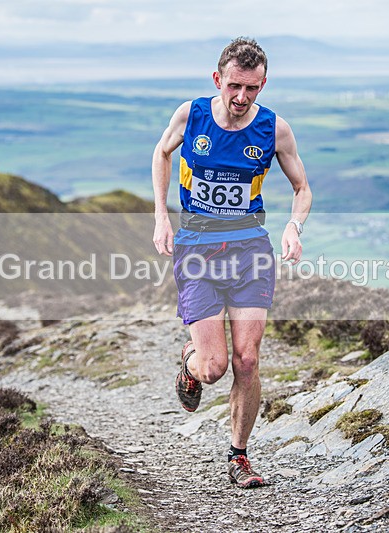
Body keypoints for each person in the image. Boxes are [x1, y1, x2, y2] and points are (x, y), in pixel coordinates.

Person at [151, 37, 312, 488]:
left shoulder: (275, 129)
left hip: (250, 251)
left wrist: (293, 227)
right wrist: (161, 215)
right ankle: (191, 361)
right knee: (213, 368)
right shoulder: (192, 115)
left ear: (263, 85)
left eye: (252, 88)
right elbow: (162, 152)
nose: (242, 97)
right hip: (197, 249)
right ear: (217, 79)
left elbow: (302, 188)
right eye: (234, 86)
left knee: (247, 359)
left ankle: (238, 456)